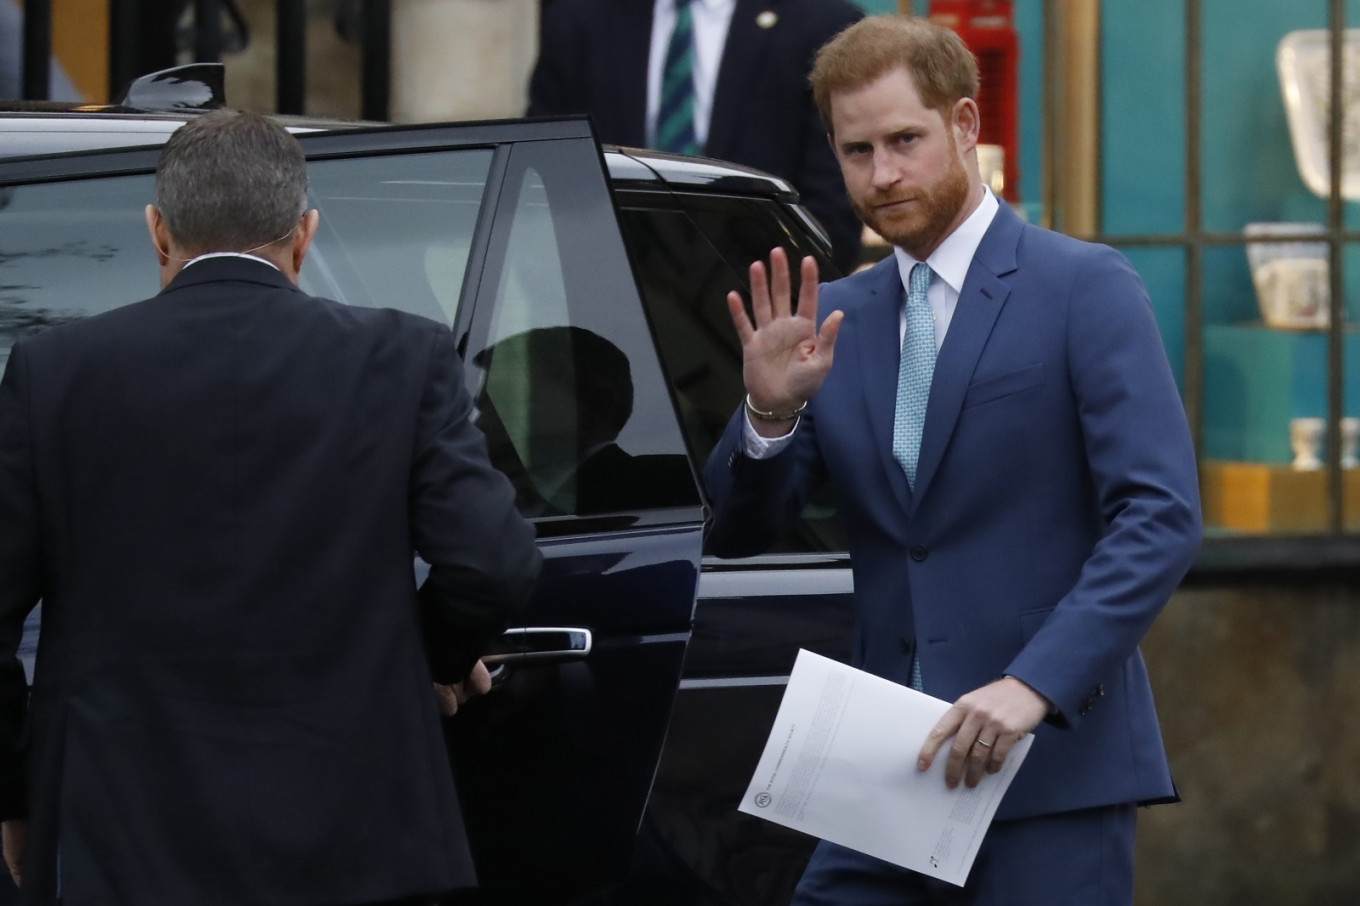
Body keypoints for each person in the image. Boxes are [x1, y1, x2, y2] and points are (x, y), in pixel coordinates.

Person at [704, 16, 1201, 905]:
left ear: (966, 124)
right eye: (857, 151)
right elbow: (739, 530)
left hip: (1049, 767)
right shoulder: (835, 321)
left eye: (905, 140)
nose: (882, 174)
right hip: (883, 777)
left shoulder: (1083, 286)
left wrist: (1034, 684)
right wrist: (769, 411)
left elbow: (1160, 517)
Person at [0, 109, 542, 906]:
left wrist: (17, 789)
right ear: (304, 235)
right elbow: (494, 563)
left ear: (158, 232)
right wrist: (423, 662)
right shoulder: (404, 357)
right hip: (359, 833)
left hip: (116, 836)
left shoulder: (51, 372)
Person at [527, 0, 865, 276]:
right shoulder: (578, 20)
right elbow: (543, 175)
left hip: (764, 302)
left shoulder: (821, 22)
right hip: (602, 295)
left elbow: (833, 202)